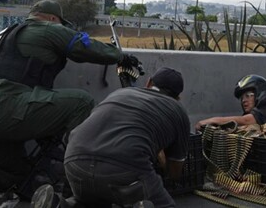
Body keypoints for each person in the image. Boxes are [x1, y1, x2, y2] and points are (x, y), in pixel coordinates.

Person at [0, 0, 139, 200]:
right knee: (81, 102)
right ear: (51, 18)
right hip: (5, 107)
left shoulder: (3, 35)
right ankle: (75, 178)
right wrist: (120, 56)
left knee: (20, 176)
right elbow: (83, 46)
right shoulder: (47, 28)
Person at [31, 67, 190, 208]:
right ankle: (139, 202)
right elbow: (174, 172)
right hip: (125, 167)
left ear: (148, 83)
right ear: (178, 98)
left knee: (91, 201)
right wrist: (161, 161)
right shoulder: (178, 110)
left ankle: (60, 204)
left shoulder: (120, 93)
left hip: (75, 158)